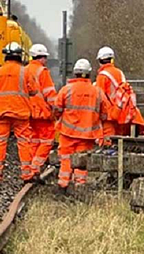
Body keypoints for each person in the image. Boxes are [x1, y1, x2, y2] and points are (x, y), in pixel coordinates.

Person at [0, 42, 38, 182]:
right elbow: (34, 91)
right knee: (24, 142)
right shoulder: (25, 72)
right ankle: (26, 173)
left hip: (1, 113)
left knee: (0, 142)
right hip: (20, 112)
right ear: (19, 56)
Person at [54, 59, 110, 189]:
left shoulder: (66, 90)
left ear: (75, 73)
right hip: (87, 134)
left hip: (67, 132)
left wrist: (60, 118)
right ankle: (79, 185)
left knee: (66, 159)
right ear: (89, 73)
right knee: (82, 161)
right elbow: (105, 113)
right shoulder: (97, 92)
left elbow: (56, 109)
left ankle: (63, 183)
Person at [26, 44, 58, 177]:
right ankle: (35, 167)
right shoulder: (42, 72)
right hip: (41, 112)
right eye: (45, 58)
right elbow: (49, 94)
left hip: (28, 112)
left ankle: (30, 167)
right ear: (41, 58)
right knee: (46, 140)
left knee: (33, 140)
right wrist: (56, 110)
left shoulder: (25, 70)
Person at [95, 46, 127, 138]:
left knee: (108, 141)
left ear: (100, 60)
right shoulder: (120, 73)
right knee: (119, 141)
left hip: (109, 116)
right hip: (121, 113)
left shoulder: (102, 76)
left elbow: (99, 98)